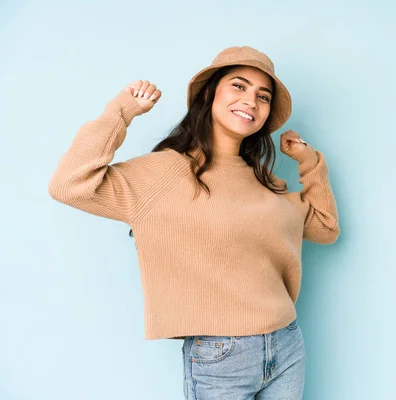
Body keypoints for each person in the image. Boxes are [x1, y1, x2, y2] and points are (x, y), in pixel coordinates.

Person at [48, 45, 340, 399]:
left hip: (287, 342)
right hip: (221, 355)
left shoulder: (267, 183)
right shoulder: (165, 173)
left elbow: (325, 228)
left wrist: (310, 161)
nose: (251, 101)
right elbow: (68, 185)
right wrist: (121, 111)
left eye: (263, 96)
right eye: (239, 86)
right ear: (209, 93)